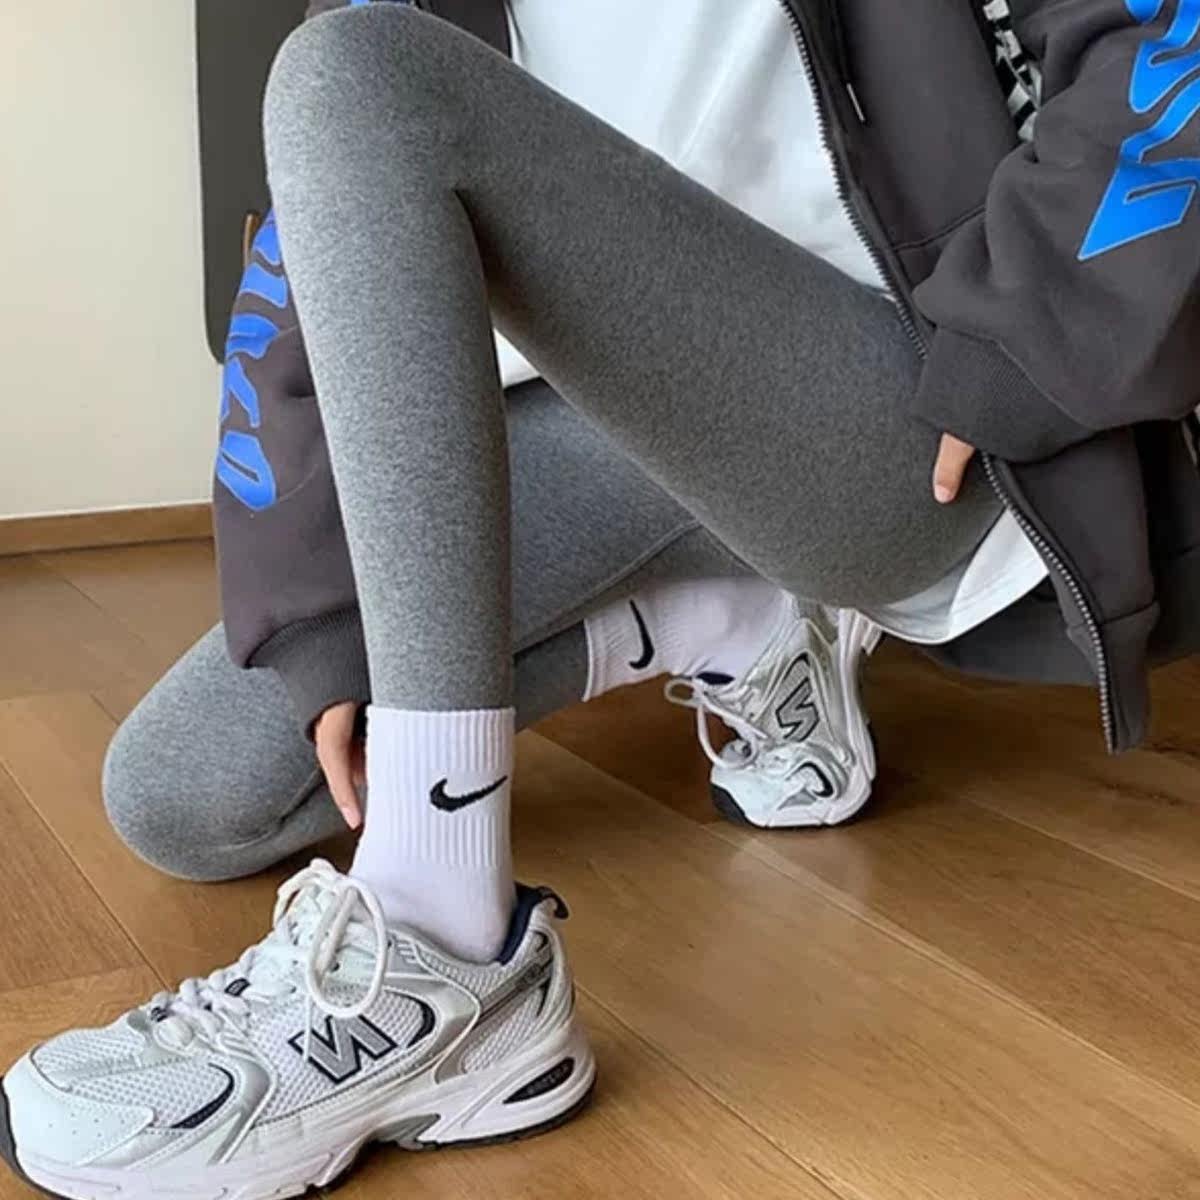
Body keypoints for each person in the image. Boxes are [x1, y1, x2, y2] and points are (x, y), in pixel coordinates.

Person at [4, 0, 1199, 1195]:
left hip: (887, 403)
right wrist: (316, 618)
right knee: (185, 795)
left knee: (352, 75)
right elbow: (299, 283)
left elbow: (1161, 29)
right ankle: (731, 623)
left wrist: (1029, 325)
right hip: (604, 426)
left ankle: (442, 936)